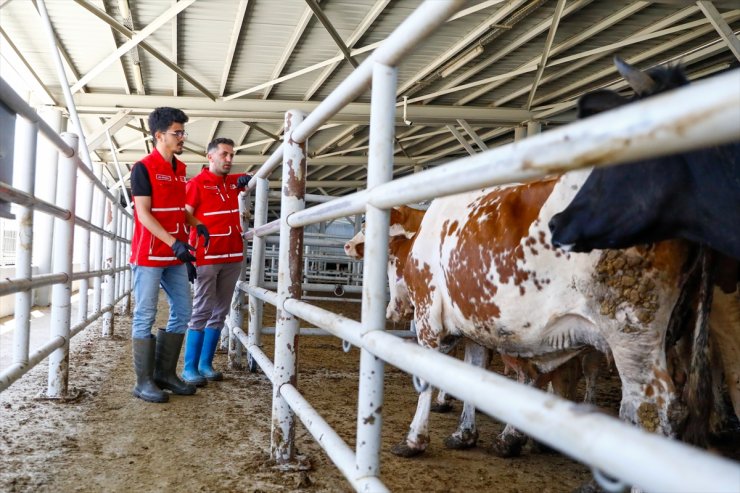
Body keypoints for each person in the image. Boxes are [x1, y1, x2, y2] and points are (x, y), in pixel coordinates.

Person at [129, 107, 210, 403]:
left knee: (184, 311)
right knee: (145, 314)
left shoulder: (180, 169)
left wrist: (197, 224)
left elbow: (178, 211)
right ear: (159, 135)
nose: (182, 138)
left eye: (182, 132)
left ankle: (164, 374)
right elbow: (144, 214)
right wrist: (174, 242)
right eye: (177, 133)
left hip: (175, 256)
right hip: (149, 255)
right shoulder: (143, 168)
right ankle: (143, 382)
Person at [181, 137, 252, 386]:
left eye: (232, 155)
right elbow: (184, 217)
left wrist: (247, 178)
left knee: (221, 311)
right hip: (207, 257)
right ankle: (189, 367)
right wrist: (188, 254)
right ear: (210, 156)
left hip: (232, 256)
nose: (229, 159)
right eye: (224, 154)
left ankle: (205, 364)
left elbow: (253, 176)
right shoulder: (197, 184)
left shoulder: (232, 183)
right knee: (201, 309)